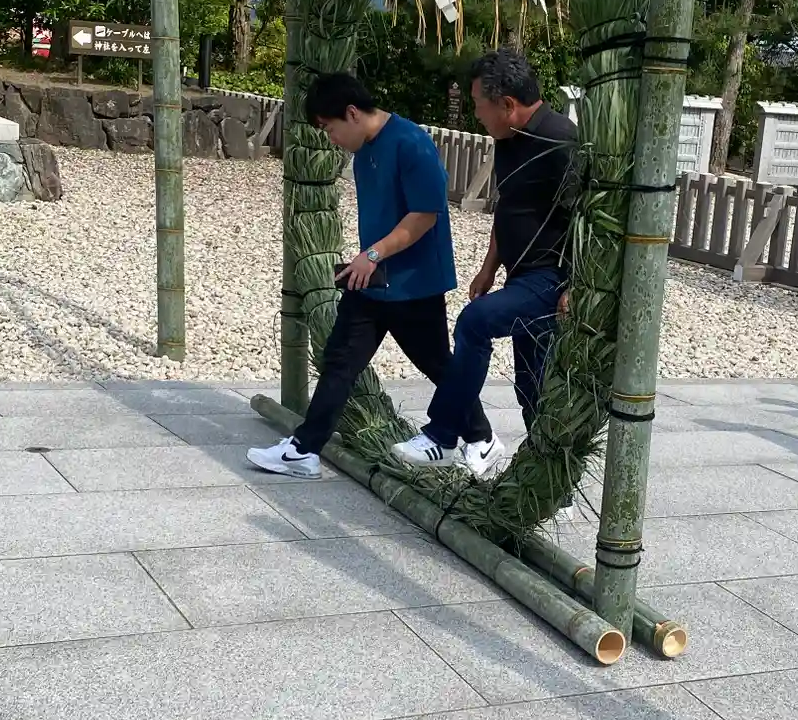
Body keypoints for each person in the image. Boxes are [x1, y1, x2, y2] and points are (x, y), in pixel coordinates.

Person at [247, 73, 495, 480]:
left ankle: (481, 437)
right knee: (340, 360)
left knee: (437, 364)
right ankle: (303, 451)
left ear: (351, 113)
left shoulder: (412, 142)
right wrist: (367, 261)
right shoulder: (364, 153)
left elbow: (425, 215)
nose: (330, 138)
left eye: (329, 128)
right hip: (372, 281)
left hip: (414, 283)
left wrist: (373, 254)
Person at [392, 46, 578, 474]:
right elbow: (509, 208)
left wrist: (577, 285)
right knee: (532, 385)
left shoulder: (561, 141)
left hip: (551, 278)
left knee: (474, 323)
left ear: (507, 104)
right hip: (519, 276)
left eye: (479, 105)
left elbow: (590, 220)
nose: (477, 115)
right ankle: (555, 481)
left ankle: (441, 436)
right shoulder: (509, 140)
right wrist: (489, 267)